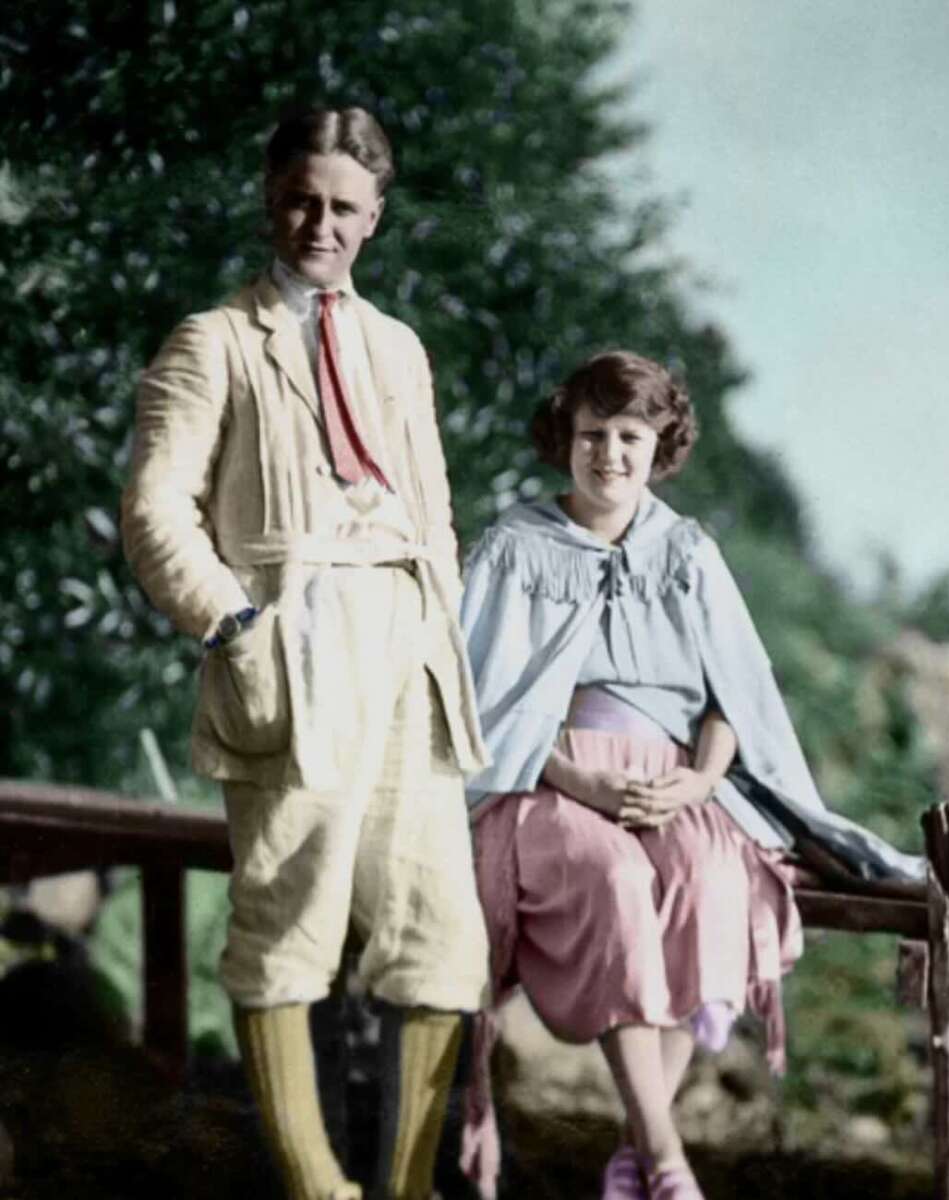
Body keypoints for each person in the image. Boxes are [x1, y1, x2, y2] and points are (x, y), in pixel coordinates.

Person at [456, 349, 948, 1200]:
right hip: (551, 777)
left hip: (681, 780)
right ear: (563, 440)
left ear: (660, 445)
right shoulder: (515, 547)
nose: (609, 454)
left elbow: (736, 697)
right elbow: (480, 703)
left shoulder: (686, 551)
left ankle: (633, 1149)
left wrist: (699, 779)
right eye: (591, 434)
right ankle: (666, 1158)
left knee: (715, 880)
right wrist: (580, 782)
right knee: (610, 882)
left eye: (629, 436)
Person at [121, 108, 489, 1200]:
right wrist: (235, 626)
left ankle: (408, 1185)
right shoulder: (216, 341)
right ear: (269, 198)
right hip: (294, 642)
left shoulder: (397, 348)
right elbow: (153, 508)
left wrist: (438, 625)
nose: (317, 224)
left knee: (438, 933)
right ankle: (315, 1185)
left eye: (342, 208)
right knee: (290, 915)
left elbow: (436, 514)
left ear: (373, 220)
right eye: (300, 199)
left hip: (407, 654)